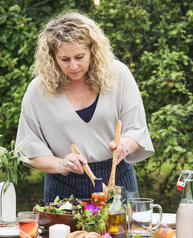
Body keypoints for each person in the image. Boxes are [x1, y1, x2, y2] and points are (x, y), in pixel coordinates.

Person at [16, 11, 154, 203]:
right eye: (65, 59)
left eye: (80, 56)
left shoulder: (118, 75)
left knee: (121, 233)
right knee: (66, 235)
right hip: (64, 184)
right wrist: (62, 164)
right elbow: (28, 151)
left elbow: (137, 129)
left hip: (116, 178)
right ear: (52, 57)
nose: (73, 66)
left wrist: (124, 145)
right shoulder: (39, 90)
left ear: (93, 51)